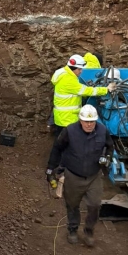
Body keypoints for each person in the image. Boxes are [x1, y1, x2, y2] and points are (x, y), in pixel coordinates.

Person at [46, 104, 113, 247]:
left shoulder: (103, 131)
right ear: (80, 120)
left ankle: (89, 231)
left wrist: (107, 157)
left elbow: (110, 147)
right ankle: (72, 230)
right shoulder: (70, 131)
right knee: (72, 205)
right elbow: (57, 148)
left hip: (93, 176)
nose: (89, 124)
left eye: (92, 121)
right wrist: (51, 168)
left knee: (95, 204)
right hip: (73, 176)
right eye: (86, 121)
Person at [50, 54, 113, 131]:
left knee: (63, 136)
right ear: (73, 68)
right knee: (69, 137)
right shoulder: (69, 80)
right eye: (79, 69)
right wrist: (106, 89)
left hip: (62, 116)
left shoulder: (64, 73)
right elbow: (87, 91)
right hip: (67, 118)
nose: (81, 71)